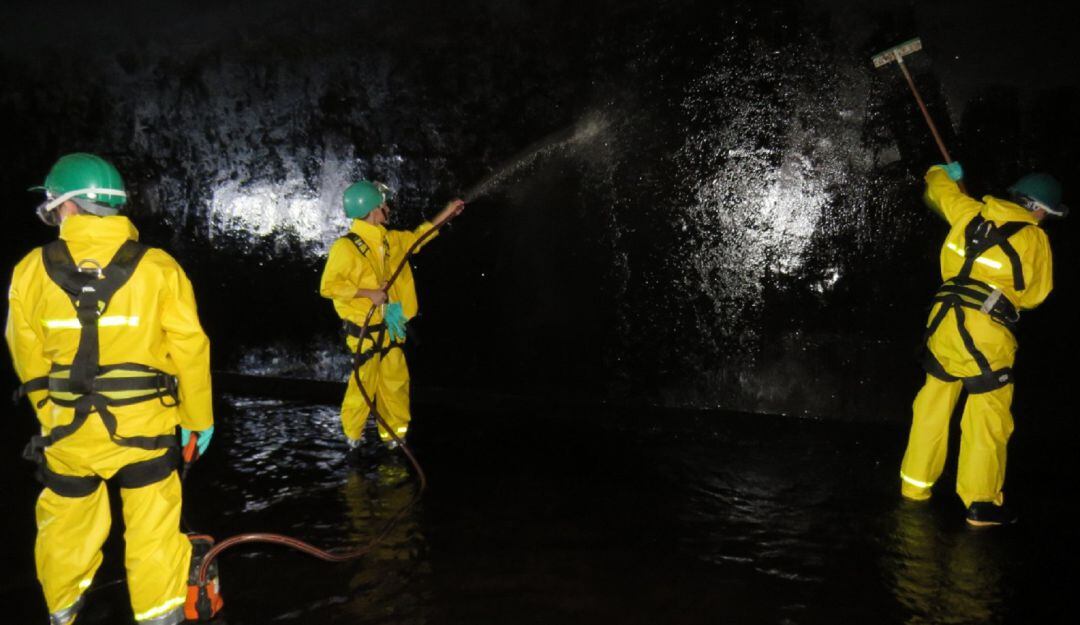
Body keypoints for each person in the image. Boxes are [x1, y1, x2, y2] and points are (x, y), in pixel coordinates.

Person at [5, 153, 214, 625]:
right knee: (154, 532)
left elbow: (26, 354)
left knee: (66, 528)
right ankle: (160, 616)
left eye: (54, 207)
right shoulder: (159, 267)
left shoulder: (29, 271)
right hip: (147, 429)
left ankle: (63, 611)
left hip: (68, 434)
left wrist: (49, 409)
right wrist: (198, 420)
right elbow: (190, 349)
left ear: (69, 207)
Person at [899, 161, 1066, 526]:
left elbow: (936, 189)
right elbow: (1037, 295)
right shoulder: (1036, 238)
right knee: (988, 415)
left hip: (942, 322)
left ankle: (914, 487)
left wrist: (942, 172)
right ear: (1040, 209)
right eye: (1046, 214)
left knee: (933, 403)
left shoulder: (968, 210)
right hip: (985, 330)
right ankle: (981, 503)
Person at [320, 180, 463, 450]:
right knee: (364, 381)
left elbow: (420, 236)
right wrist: (367, 293)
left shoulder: (390, 240)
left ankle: (395, 436)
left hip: (393, 320)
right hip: (365, 328)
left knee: (395, 381)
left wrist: (448, 212)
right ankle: (353, 436)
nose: (387, 208)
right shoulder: (345, 248)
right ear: (373, 211)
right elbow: (328, 286)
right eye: (383, 205)